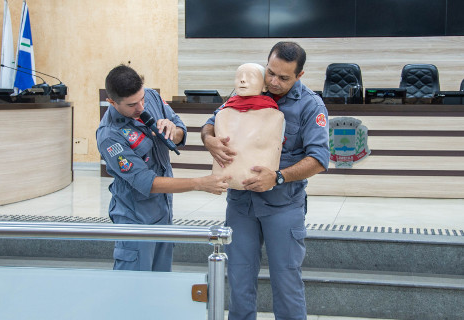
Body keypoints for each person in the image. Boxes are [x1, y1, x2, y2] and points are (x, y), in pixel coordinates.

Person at [201, 42, 330, 320]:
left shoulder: (310, 105)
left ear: (300, 75)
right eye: (270, 72)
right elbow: (212, 121)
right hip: (241, 205)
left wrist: (278, 176)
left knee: (286, 284)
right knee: (239, 281)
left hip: (282, 206)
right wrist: (208, 139)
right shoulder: (248, 89)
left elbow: (319, 159)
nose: (273, 82)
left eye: (283, 78)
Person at [96, 64, 230, 272]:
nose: (141, 107)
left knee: (161, 282)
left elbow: (180, 130)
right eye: (132, 104)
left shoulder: (150, 96)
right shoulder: (109, 135)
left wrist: (173, 131)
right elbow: (146, 182)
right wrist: (199, 183)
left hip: (163, 212)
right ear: (112, 102)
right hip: (135, 218)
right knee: (134, 289)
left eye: (141, 99)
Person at [212, 63, 285, 190]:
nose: (242, 79)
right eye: (239, 76)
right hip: (226, 182)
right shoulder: (221, 114)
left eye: (250, 76)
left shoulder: (275, 116)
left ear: (264, 86)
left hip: (260, 183)